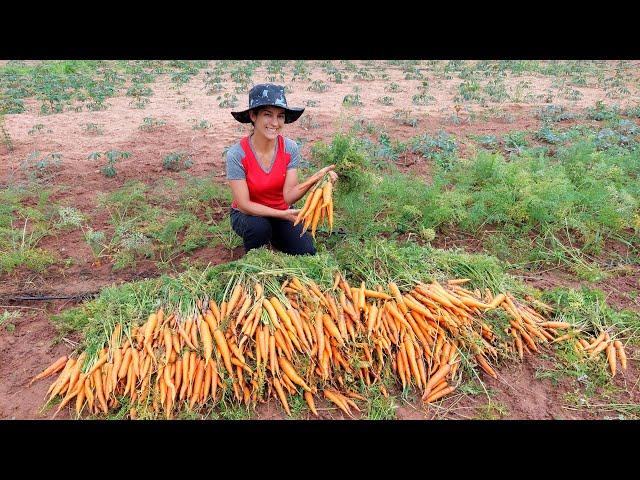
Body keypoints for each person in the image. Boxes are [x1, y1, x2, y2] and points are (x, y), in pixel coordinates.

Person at [226, 83, 337, 255]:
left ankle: (274, 234)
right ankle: (255, 254)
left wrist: (316, 179)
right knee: (259, 228)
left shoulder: (289, 148)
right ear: (253, 116)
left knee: (307, 250)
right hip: (248, 215)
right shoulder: (236, 154)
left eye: (280, 116)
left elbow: (289, 195)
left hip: (282, 211)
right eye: (268, 115)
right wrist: (282, 215)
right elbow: (244, 204)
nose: (275, 123)